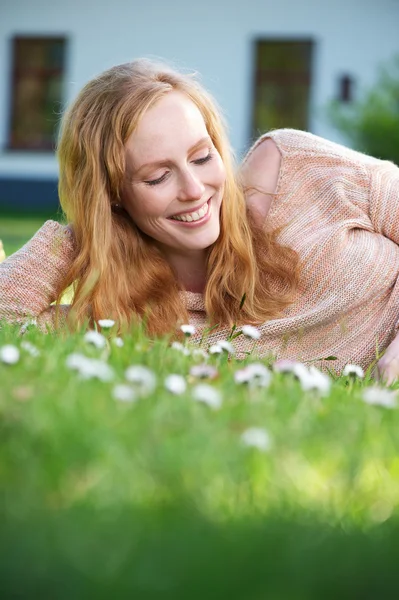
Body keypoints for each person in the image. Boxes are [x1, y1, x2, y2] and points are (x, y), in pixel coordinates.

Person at [1, 59, 399, 382]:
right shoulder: (123, 319)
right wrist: (86, 232)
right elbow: (8, 321)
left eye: (202, 157)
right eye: (158, 177)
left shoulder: (295, 166)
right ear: (113, 196)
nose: (194, 189)